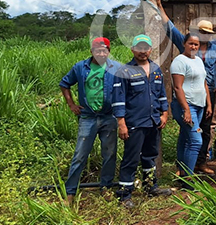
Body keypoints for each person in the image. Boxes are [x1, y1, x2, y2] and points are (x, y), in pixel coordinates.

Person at [154, 0, 216, 175]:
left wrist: (213, 98)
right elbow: (170, 27)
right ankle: (184, 171)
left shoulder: (215, 49)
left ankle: (199, 163)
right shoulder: (185, 53)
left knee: (203, 132)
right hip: (187, 99)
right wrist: (160, 7)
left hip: (206, 95)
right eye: (202, 34)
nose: (203, 38)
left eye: (208, 34)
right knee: (194, 136)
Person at [59, 37, 121, 205]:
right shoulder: (80, 67)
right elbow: (64, 83)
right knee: (80, 154)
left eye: (104, 50)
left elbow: (125, 89)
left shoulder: (115, 68)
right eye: (98, 50)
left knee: (109, 154)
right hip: (88, 117)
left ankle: (106, 187)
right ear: (92, 51)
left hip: (109, 116)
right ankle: (70, 192)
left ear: (108, 51)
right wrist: (71, 104)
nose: (101, 53)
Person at [113, 34, 171, 208]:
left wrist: (164, 114)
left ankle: (150, 187)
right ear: (132, 50)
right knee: (131, 158)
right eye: (139, 48)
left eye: (146, 48)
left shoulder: (155, 69)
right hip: (134, 123)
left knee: (149, 156)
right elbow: (118, 99)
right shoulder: (124, 72)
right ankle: (124, 194)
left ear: (150, 50)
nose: (143, 52)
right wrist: (121, 123)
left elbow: (161, 95)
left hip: (153, 122)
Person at [170, 33, 212, 180]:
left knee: (185, 137)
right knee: (196, 140)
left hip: (200, 105)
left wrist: (209, 104)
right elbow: (177, 87)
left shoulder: (199, 61)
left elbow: (204, 83)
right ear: (184, 44)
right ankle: (189, 178)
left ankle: (182, 170)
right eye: (191, 43)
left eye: (196, 44)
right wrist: (186, 109)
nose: (193, 46)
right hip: (186, 106)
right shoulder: (179, 61)